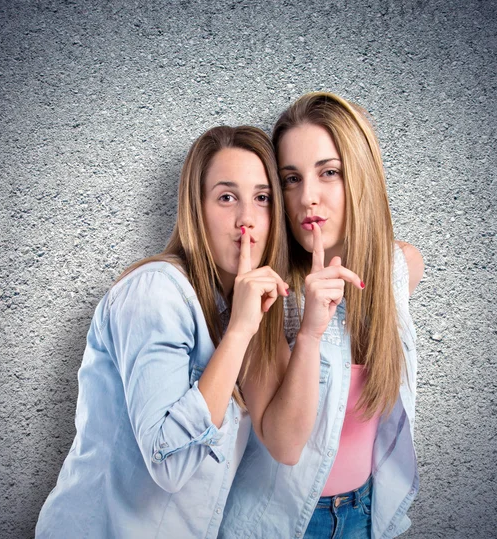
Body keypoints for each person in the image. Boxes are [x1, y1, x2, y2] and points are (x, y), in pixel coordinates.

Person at [35, 125, 289, 538]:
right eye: (227, 197)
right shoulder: (156, 291)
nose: (246, 219)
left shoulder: (234, 308)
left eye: (261, 198)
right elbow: (169, 463)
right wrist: (241, 331)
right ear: (196, 208)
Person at [220, 92, 424, 539]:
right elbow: (284, 445)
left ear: (361, 177)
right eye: (291, 179)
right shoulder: (267, 293)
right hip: (279, 524)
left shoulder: (401, 268)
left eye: (328, 172)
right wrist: (311, 333)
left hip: (368, 514)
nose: (307, 197)